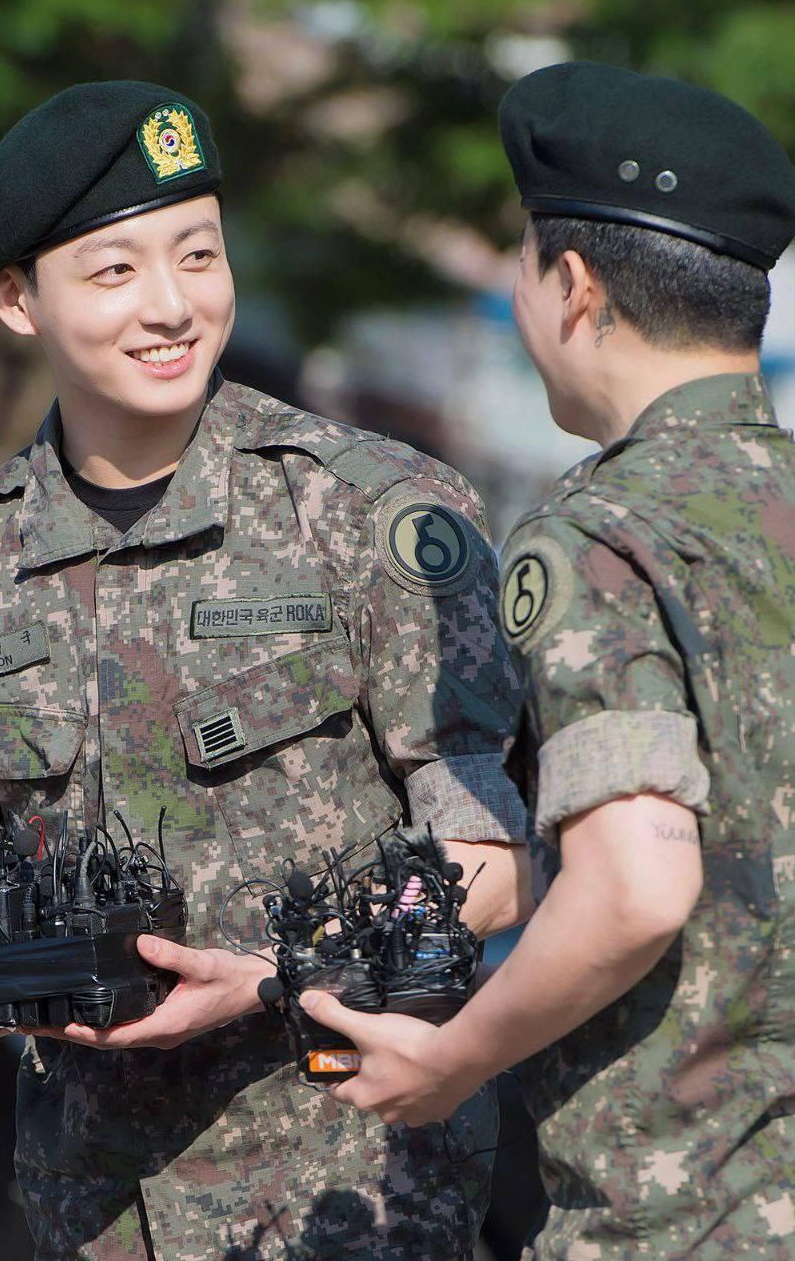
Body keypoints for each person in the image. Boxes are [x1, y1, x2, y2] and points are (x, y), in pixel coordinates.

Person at [0, 81, 532, 1260]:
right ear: (18, 299)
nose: (173, 305)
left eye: (198, 254)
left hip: (358, 1202)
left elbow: (491, 862)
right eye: (116, 270)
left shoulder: (372, 516)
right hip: (95, 1216)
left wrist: (276, 972)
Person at [301, 62, 795, 1257]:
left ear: (573, 285)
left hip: (688, 1215)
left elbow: (636, 884)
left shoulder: (603, 534)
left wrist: (450, 1058)